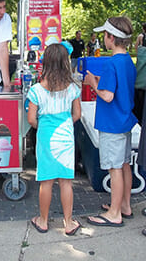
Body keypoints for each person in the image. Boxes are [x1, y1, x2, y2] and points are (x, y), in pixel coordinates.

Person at [85, 17, 137, 228]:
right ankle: (124, 206)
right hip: (125, 120)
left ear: (111, 38)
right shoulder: (127, 61)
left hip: (111, 123)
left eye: (105, 35)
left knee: (114, 168)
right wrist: (100, 82)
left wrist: (92, 84)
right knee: (124, 165)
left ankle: (114, 214)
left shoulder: (111, 63)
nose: (102, 38)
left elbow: (107, 96)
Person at [27, 43, 81, 235]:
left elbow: (31, 119)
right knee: (66, 181)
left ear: (46, 63)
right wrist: (64, 124)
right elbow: (77, 115)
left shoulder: (36, 90)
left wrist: (43, 126)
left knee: (46, 181)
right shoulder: (73, 88)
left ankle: (43, 220)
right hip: (65, 135)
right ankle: (68, 222)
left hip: (45, 136)